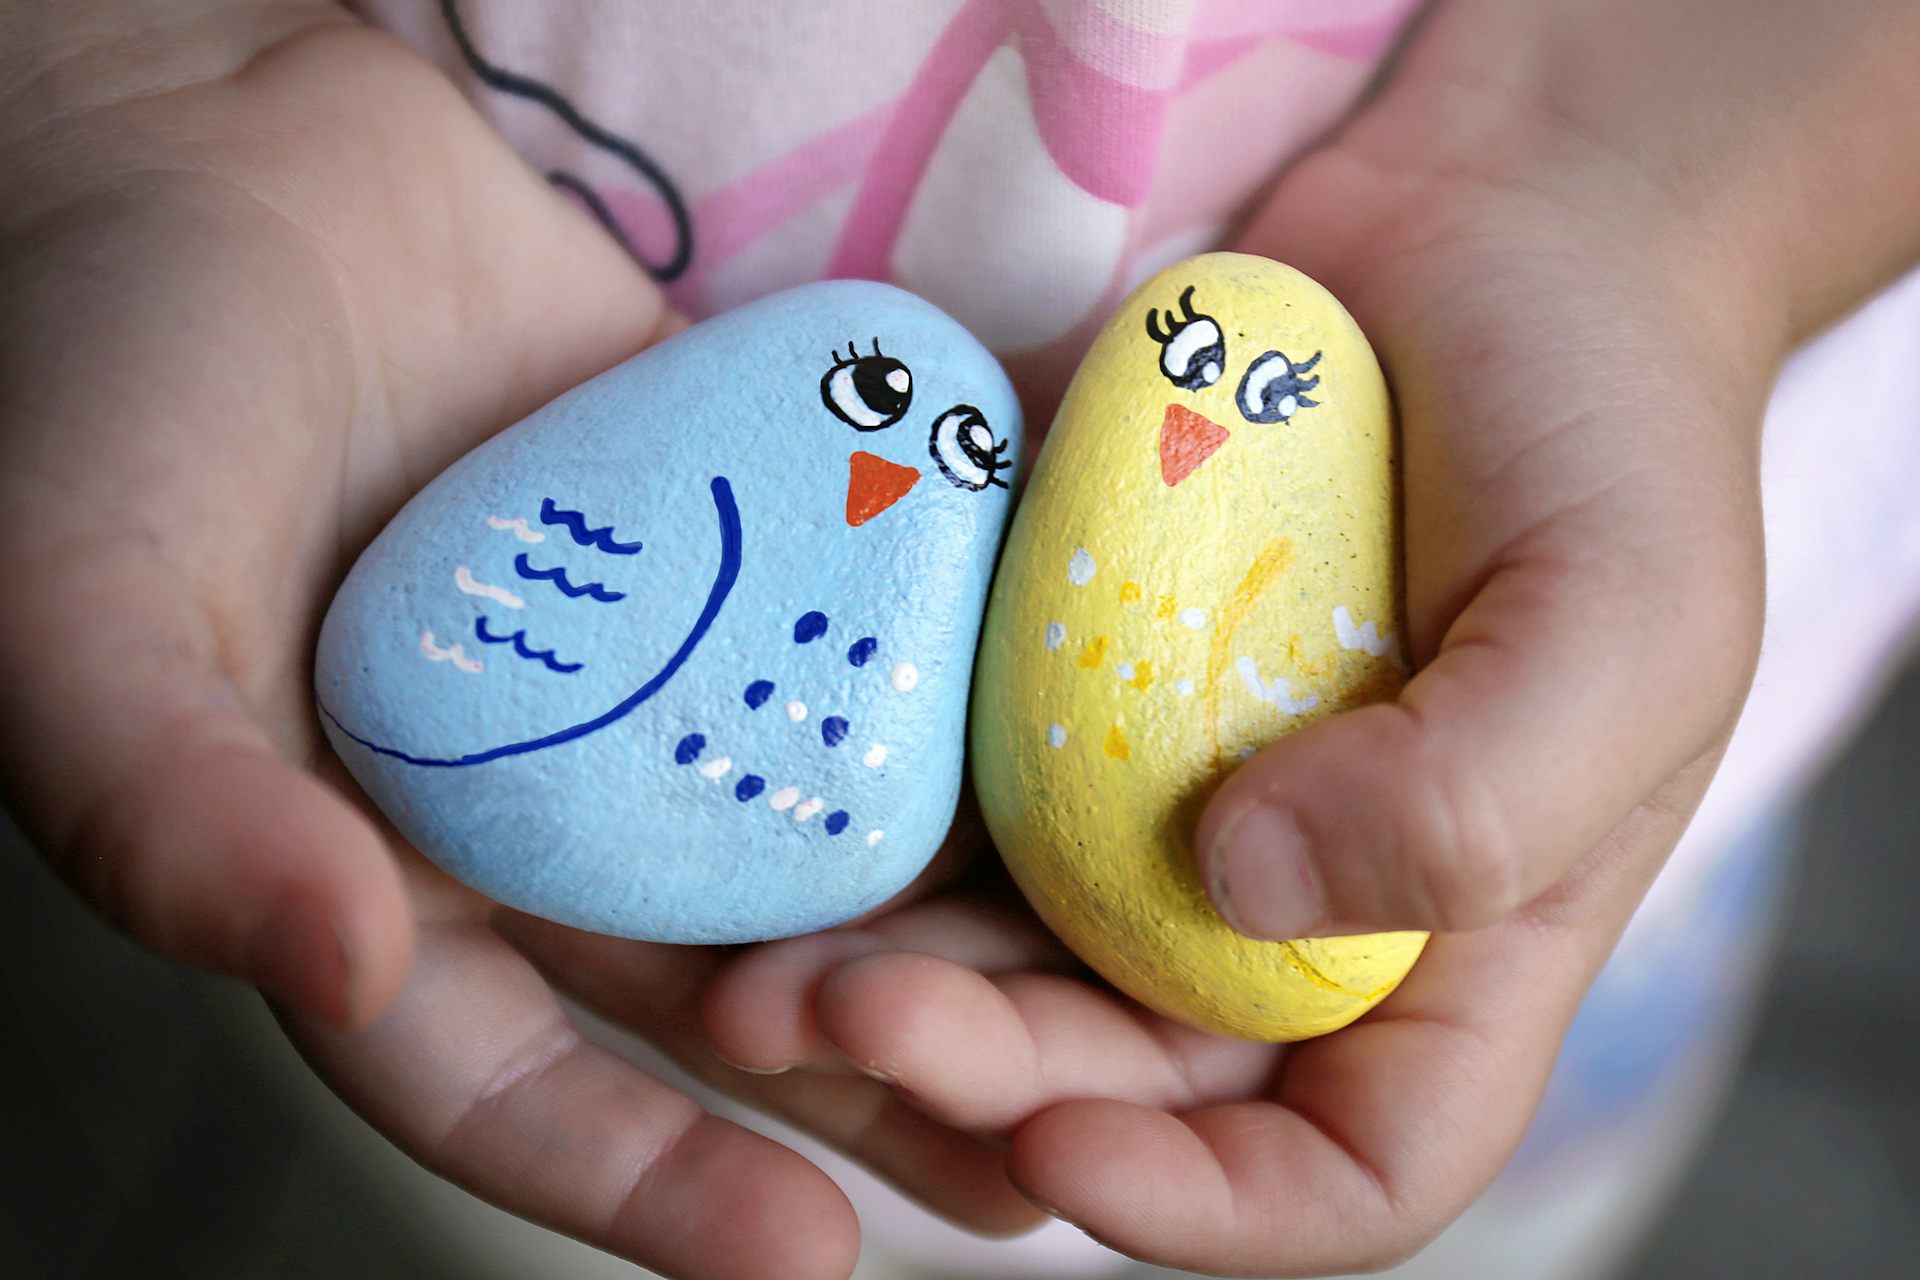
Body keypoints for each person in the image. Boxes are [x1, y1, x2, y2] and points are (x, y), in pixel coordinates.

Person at [1, 1, 1915, 1277]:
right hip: (537, 836)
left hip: (1523, 601)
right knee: (563, 1184)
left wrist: (1665, 203)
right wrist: (114, 61)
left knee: (1480, 1148)